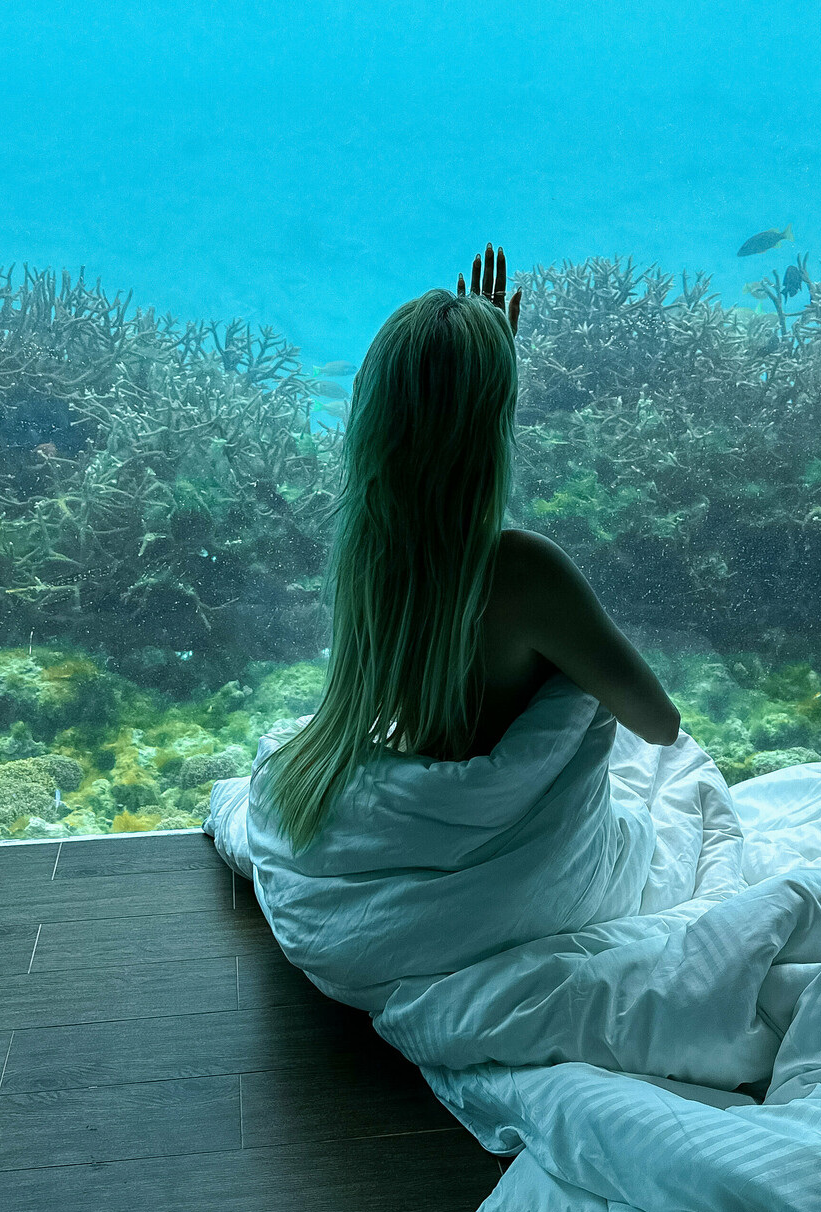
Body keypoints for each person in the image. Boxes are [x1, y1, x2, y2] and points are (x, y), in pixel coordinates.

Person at [266, 242, 680, 850]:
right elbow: (661, 726)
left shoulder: (371, 553)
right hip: (512, 846)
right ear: (496, 420)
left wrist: (477, 371)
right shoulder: (524, 568)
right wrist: (492, 373)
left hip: (428, 824)